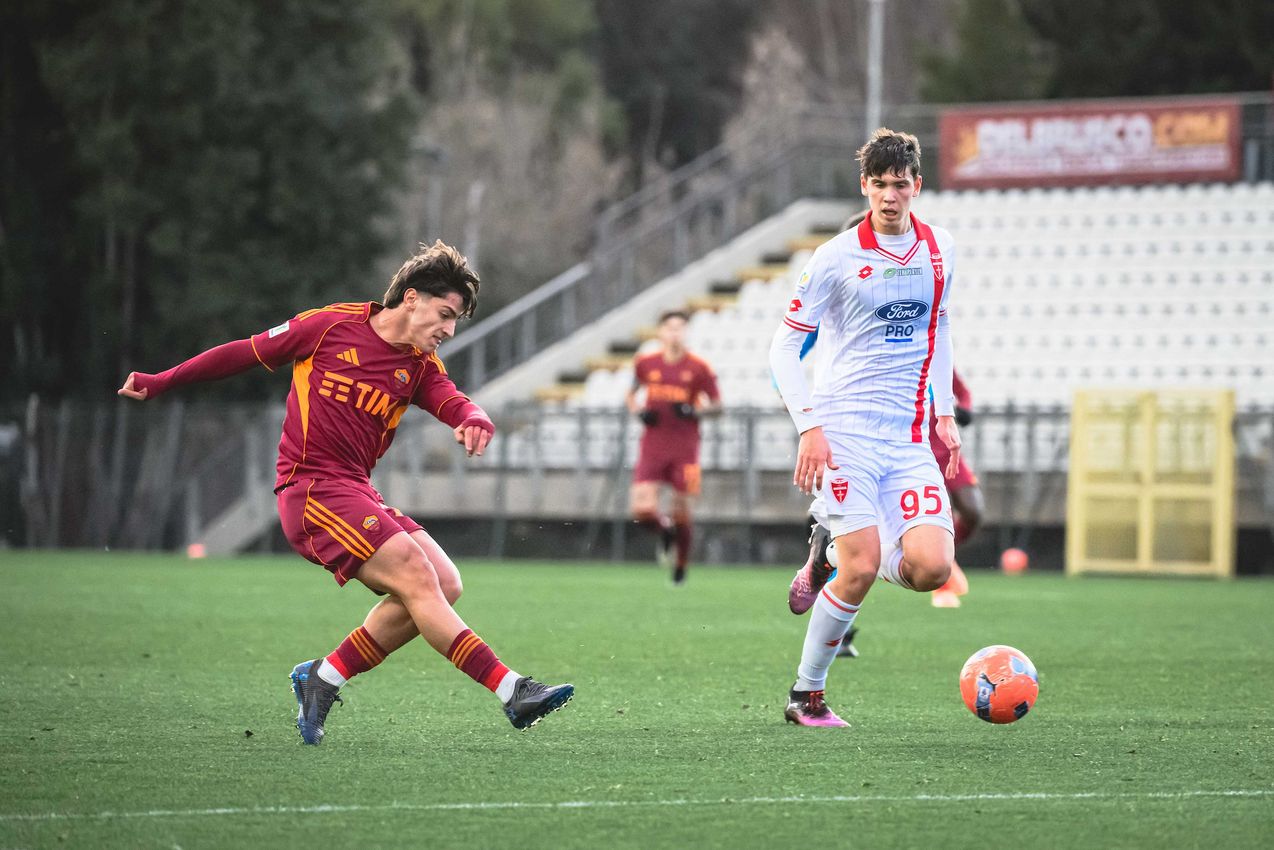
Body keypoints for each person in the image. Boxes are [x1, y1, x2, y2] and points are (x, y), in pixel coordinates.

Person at [118, 240, 574, 744]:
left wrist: (473, 416)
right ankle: (513, 690)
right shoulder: (332, 326)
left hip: (355, 491)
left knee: (445, 584)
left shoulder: (418, 365)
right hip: (310, 489)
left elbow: (450, 399)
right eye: (444, 314)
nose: (448, 329)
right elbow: (244, 352)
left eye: (455, 321)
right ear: (412, 298)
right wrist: (162, 380)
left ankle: (323, 677)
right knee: (418, 576)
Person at [769, 129, 960, 727]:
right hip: (844, 429)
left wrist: (945, 410)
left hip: (905, 437)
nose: (889, 195)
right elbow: (784, 349)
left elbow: (942, 326)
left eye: (899, 185)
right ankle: (807, 696)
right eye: (878, 185)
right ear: (864, 187)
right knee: (862, 566)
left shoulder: (941, 250)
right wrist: (809, 427)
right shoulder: (835, 257)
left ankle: (830, 544)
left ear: (916, 187)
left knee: (932, 567)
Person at [627, 310, 721, 585]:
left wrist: (694, 412)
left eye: (680, 328)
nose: (675, 333)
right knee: (642, 509)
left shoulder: (698, 367)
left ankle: (681, 565)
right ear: (660, 333)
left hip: (685, 448)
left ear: (686, 332)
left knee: (682, 511)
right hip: (653, 445)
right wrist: (638, 412)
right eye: (670, 327)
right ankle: (663, 529)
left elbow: (718, 406)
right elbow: (631, 395)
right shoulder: (645, 363)